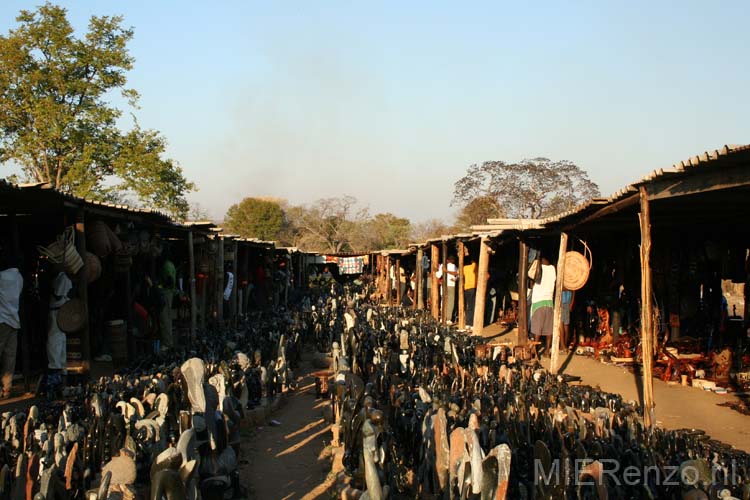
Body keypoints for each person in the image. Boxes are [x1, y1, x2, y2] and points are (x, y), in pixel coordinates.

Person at [0, 244, 22, 399]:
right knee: (10, 356)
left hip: (1, 319)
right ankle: (7, 389)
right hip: (14, 320)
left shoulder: (1, 277)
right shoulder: (19, 278)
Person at [47, 267, 72, 372]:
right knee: (60, 339)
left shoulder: (63, 278)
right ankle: (61, 368)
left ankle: (55, 366)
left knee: (54, 339)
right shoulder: (60, 277)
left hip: (58, 311)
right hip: (59, 310)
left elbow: (58, 296)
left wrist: (48, 288)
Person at [530, 256, 556, 355]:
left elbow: (532, 283)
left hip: (538, 301)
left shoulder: (537, 267)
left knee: (537, 329)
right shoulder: (553, 269)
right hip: (549, 301)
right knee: (549, 329)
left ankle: (535, 350)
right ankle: (547, 351)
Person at [158, 252, 176, 351]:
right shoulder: (169, 264)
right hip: (168, 293)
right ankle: (167, 342)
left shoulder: (167, 265)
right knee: (166, 318)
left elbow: (169, 281)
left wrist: (159, 286)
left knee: (165, 318)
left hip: (166, 293)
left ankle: (168, 343)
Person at [435, 256, 459, 323]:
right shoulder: (449, 265)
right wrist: (454, 279)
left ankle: (444, 318)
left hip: (447, 285)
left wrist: (439, 281)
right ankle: (447, 318)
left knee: (444, 301)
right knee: (450, 302)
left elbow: (438, 275)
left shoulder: (445, 265)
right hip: (450, 285)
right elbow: (457, 274)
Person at [463, 256, 477, 329]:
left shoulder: (464, 268)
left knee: (468, 306)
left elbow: (461, 276)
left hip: (466, 288)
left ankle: (468, 323)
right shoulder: (475, 266)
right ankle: (472, 324)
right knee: (473, 306)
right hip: (473, 287)